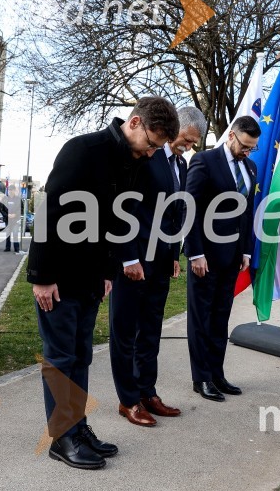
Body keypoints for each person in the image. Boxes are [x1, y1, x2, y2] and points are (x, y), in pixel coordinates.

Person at [28, 96, 179, 469]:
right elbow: (50, 212)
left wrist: (108, 272)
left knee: (80, 355)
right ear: (135, 123)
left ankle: (77, 429)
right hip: (59, 276)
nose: (151, 154)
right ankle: (62, 438)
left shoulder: (133, 162)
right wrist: (42, 277)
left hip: (92, 277)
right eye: (152, 144)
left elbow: (119, 221)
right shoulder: (83, 150)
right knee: (61, 358)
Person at [110, 105, 205, 427]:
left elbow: (172, 215)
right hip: (133, 260)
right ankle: (128, 400)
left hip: (161, 261)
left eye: (193, 144)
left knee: (150, 332)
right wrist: (128, 256)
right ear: (175, 127)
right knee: (125, 333)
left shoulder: (180, 163)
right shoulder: (145, 156)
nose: (188, 147)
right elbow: (123, 207)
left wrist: (173, 255)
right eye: (187, 140)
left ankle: (147, 392)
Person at [184, 115, 260, 402]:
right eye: (244, 145)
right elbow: (188, 208)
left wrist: (245, 250)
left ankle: (217, 374)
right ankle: (200, 378)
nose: (247, 152)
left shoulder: (250, 167)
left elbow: (246, 212)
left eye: (252, 148)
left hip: (232, 257)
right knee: (201, 319)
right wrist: (195, 252)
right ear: (231, 136)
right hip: (205, 256)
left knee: (220, 318)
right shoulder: (204, 161)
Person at [3, 185, 24, 254]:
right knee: (8, 234)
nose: (10, 191)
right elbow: (2, 209)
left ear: (14, 190)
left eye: (12, 190)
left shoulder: (18, 199)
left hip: (15, 220)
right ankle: (7, 247)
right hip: (8, 220)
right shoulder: (5, 199)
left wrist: (15, 214)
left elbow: (21, 209)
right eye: (9, 190)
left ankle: (16, 248)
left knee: (15, 233)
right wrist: (7, 215)